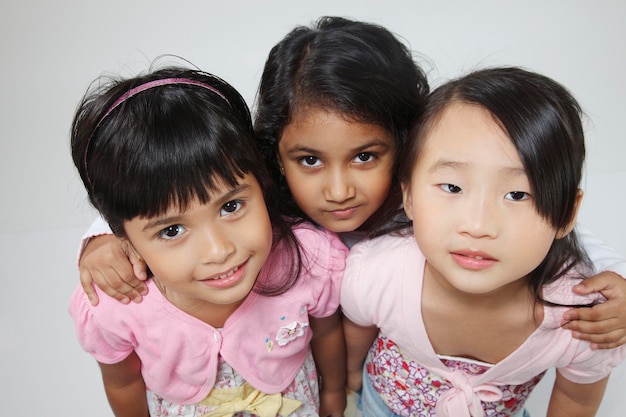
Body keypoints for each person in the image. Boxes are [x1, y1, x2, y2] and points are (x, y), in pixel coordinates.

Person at [76, 17, 626, 350]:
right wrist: (103, 235)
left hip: (403, 351)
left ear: (408, 144)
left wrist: (609, 275)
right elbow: (177, 190)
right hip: (299, 353)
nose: (338, 190)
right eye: (309, 161)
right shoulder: (264, 201)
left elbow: (533, 220)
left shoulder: (430, 202)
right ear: (272, 154)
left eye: (366, 156)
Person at [341, 67, 626, 417]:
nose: (478, 225)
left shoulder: (585, 319)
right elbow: (356, 334)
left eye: (518, 194)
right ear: (409, 195)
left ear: (567, 212)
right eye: (453, 187)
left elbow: (577, 400)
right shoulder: (377, 271)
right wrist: (349, 383)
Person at [69, 66, 348, 417]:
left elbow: (325, 334)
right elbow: (123, 383)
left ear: (261, 181)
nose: (219, 250)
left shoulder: (309, 260)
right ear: (123, 238)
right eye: (172, 231)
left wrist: (335, 394)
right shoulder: (116, 305)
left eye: (231, 206)